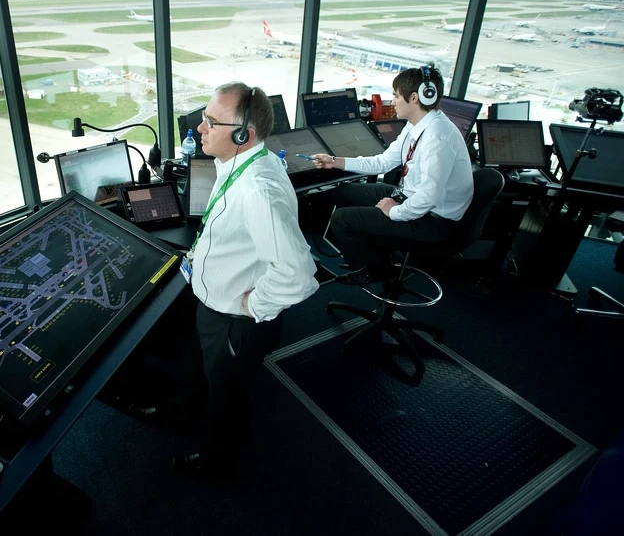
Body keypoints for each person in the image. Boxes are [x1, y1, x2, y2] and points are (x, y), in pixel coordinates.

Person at [169, 82, 319, 479]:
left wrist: (253, 306)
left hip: (236, 324)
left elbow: (299, 275)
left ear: (242, 134)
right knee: (203, 374)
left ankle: (218, 462)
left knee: (228, 397)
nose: (199, 129)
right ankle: (184, 415)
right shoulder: (242, 163)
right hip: (213, 306)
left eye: (209, 122)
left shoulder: (258, 190)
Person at [311, 64, 473, 285]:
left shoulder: (438, 138)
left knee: (343, 220)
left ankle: (376, 269)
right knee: (344, 193)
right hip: (412, 198)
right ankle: (376, 252)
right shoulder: (416, 126)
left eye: (396, 96)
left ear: (414, 97)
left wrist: (393, 212)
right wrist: (335, 162)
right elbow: (384, 162)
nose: (392, 101)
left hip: (434, 220)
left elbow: (429, 197)